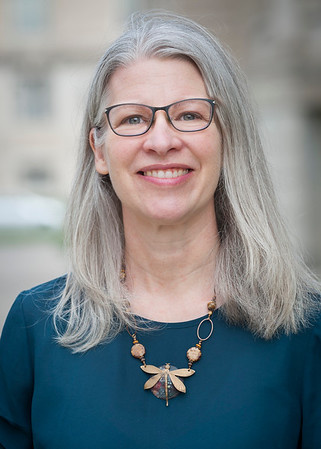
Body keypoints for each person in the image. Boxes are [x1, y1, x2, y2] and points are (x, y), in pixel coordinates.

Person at [0, 11, 320, 449]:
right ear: (99, 150)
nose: (161, 140)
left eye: (189, 115)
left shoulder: (307, 329)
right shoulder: (34, 327)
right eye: (132, 119)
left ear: (230, 139)